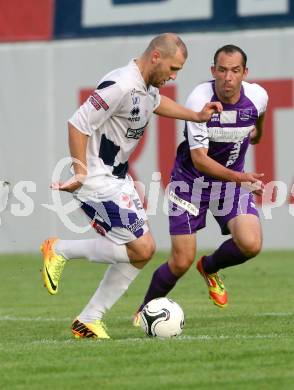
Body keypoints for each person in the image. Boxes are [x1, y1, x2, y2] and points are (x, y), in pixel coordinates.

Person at [41, 33, 222, 339]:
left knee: (142, 251)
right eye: (173, 68)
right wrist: (80, 171)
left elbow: (155, 102)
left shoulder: (146, 85)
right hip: (96, 177)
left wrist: (195, 116)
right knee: (142, 247)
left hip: (117, 178)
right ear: (156, 57)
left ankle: (88, 320)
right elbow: (77, 123)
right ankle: (60, 250)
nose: (174, 75)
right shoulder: (122, 84)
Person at [134, 44, 268, 323]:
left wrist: (257, 133)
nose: (228, 77)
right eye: (222, 70)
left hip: (228, 185)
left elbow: (260, 115)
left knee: (250, 243)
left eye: (235, 71)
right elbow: (200, 160)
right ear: (213, 71)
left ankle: (209, 267)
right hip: (190, 183)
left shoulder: (257, 96)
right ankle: (144, 310)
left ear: (245, 73)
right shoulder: (200, 99)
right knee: (181, 261)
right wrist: (242, 177)